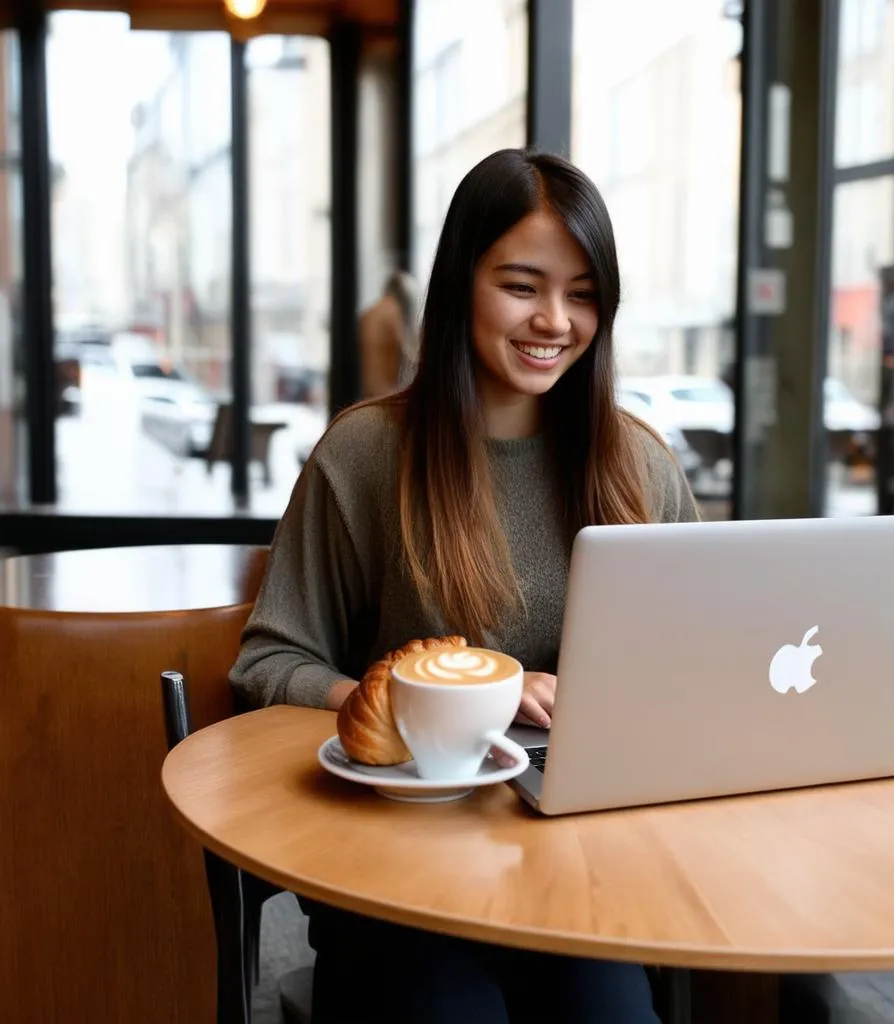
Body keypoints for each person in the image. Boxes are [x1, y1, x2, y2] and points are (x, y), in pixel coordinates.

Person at [230, 147, 700, 1023]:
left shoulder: (639, 465)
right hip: (393, 865)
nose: (555, 320)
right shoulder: (366, 456)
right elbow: (269, 664)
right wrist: (461, 703)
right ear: (460, 285)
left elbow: (697, 667)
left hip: (577, 863)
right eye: (522, 285)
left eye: (584, 293)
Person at [358, 268, 420, 397]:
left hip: (365, 394)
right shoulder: (392, 312)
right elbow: (409, 355)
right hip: (385, 396)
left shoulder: (368, 313)